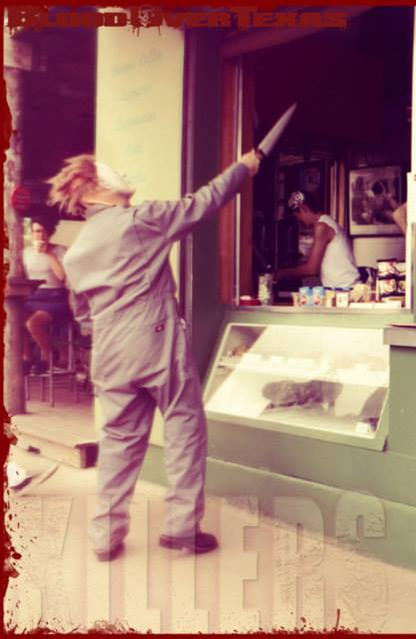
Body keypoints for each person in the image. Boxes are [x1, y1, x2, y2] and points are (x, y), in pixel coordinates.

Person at [46, 150, 260, 561]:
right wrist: (242, 169)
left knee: (117, 443)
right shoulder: (138, 221)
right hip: (154, 341)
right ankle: (181, 529)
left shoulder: (75, 252)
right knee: (184, 425)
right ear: (97, 187)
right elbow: (202, 203)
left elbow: (83, 314)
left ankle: (105, 536)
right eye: (115, 171)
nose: (123, 173)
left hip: (109, 352)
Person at [274, 189, 364, 297]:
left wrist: (281, 273)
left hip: (346, 291)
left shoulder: (321, 226)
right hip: (342, 290)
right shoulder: (327, 221)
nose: (299, 220)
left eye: (297, 215)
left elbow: (311, 269)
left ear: (303, 208)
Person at [22, 215, 71, 374]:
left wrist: (49, 253)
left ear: (49, 233)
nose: (40, 235)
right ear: (32, 233)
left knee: (33, 323)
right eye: (37, 231)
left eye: (44, 231)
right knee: (14, 318)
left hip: (56, 297)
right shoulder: (26, 253)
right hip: (33, 296)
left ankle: (48, 354)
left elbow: (62, 277)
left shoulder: (60, 250)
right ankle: (27, 357)